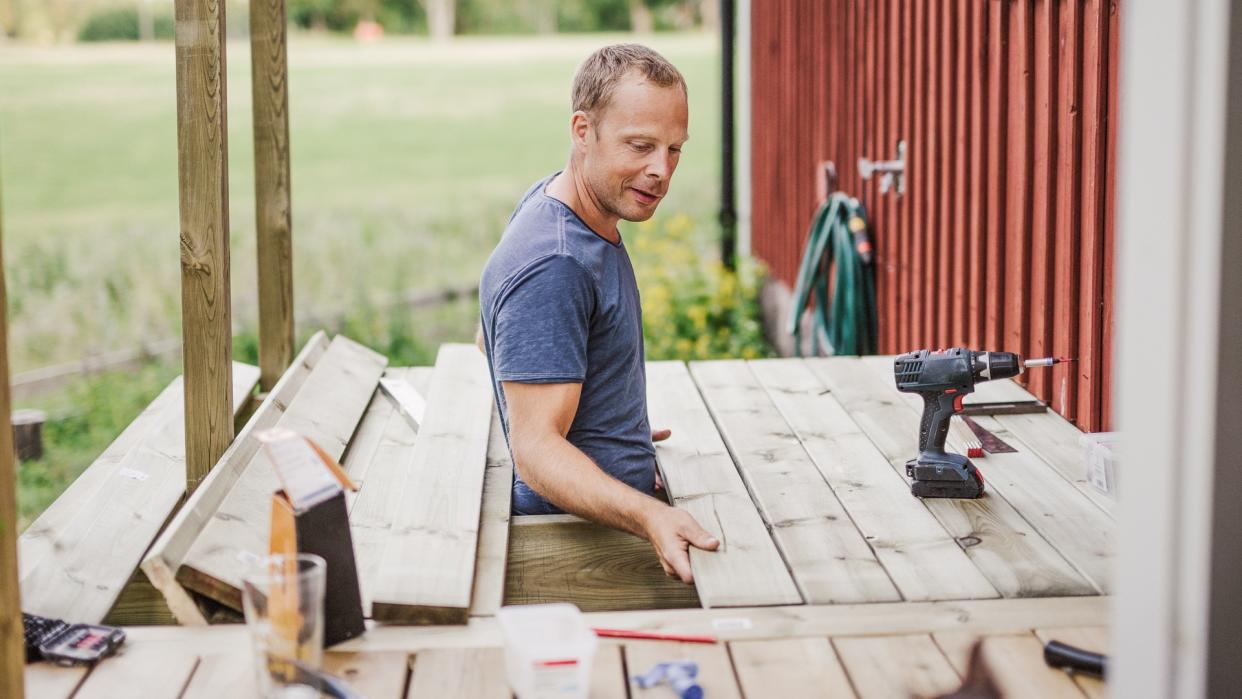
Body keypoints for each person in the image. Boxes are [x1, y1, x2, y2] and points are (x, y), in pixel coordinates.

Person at [477, 44, 719, 584]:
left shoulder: (553, 199)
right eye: (640, 146)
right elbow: (536, 452)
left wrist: (608, 418)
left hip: (611, 503)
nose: (661, 171)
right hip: (581, 546)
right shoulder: (557, 262)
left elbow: (491, 338)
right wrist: (651, 514)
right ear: (582, 131)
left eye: (674, 149)